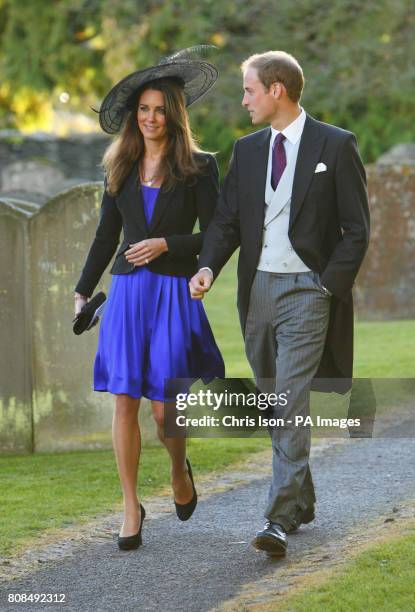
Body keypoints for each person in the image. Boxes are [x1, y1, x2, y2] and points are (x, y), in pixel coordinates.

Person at [189, 51, 370, 557]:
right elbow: (226, 221)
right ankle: (302, 498)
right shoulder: (246, 151)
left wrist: (326, 287)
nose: (243, 99)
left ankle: (277, 519)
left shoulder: (336, 145)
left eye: (249, 90)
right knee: (275, 401)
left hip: (309, 292)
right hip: (258, 291)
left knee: (288, 400)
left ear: (277, 90)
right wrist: (207, 267)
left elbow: (357, 230)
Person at [74, 48, 224, 551]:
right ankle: (130, 506)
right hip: (127, 294)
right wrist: (81, 290)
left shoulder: (200, 168)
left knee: (165, 412)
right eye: (144, 109)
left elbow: (220, 233)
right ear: (134, 116)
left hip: (173, 295)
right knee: (124, 399)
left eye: (160, 109)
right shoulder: (119, 165)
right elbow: (103, 236)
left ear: (174, 114)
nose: (151, 118)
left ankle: (179, 471)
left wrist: (169, 245)